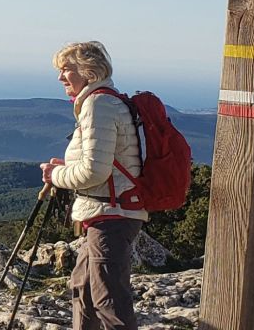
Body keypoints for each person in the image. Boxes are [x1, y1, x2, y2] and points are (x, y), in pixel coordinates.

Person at [39, 41, 144, 329]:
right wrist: (65, 169)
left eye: (66, 70)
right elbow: (101, 165)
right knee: (84, 290)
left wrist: (55, 176)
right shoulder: (102, 102)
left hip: (111, 215)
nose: (61, 78)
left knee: (108, 300)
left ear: (89, 72)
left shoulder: (99, 104)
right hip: (107, 212)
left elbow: (93, 173)